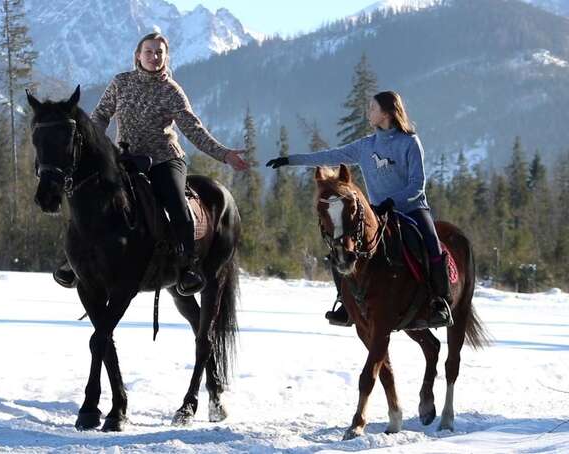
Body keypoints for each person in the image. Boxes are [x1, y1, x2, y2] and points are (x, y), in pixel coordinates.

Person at [54, 32, 249, 296]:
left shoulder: (172, 91)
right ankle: (74, 260)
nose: (154, 57)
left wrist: (224, 154)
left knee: (177, 205)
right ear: (138, 55)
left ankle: (189, 266)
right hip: (123, 158)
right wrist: (94, 146)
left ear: (166, 57)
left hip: (164, 159)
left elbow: (193, 129)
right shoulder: (121, 83)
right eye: (149, 51)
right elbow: (100, 116)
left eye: (159, 52)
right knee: (90, 199)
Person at [266, 91, 453, 328]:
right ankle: (345, 303)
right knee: (339, 245)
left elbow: (417, 185)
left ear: (387, 113)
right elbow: (328, 155)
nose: (369, 113)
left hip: (412, 210)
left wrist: (392, 202)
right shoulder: (366, 146)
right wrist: (289, 160)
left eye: (372, 108)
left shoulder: (409, 142)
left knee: (432, 246)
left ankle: (440, 302)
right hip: (377, 214)